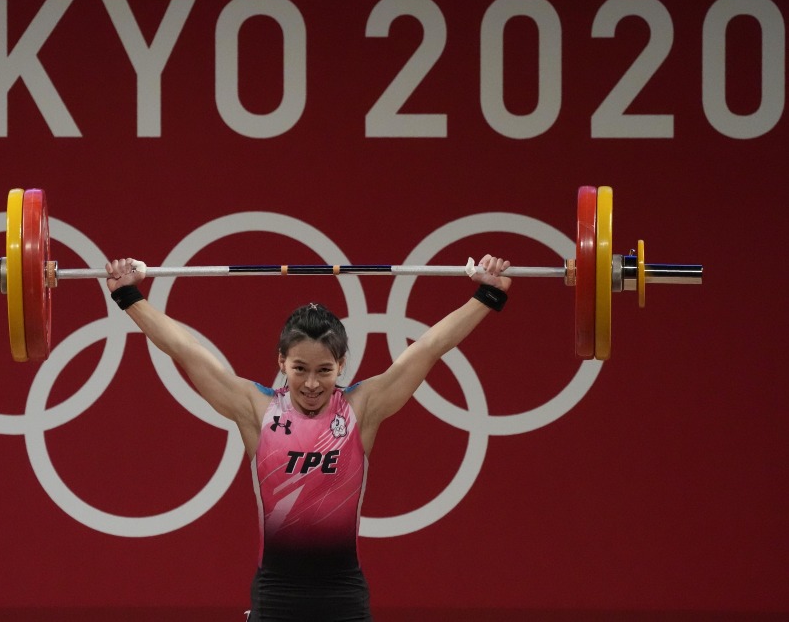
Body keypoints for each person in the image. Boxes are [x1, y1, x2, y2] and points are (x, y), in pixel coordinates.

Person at [104, 255, 512, 622]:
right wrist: (128, 295)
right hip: (277, 597)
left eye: (324, 370)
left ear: (341, 365)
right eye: (299, 368)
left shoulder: (361, 409)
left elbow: (429, 348)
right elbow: (184, 349)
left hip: (343, 597)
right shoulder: (257, 409)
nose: (312, 383)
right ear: (281, 361)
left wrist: (487, 295)